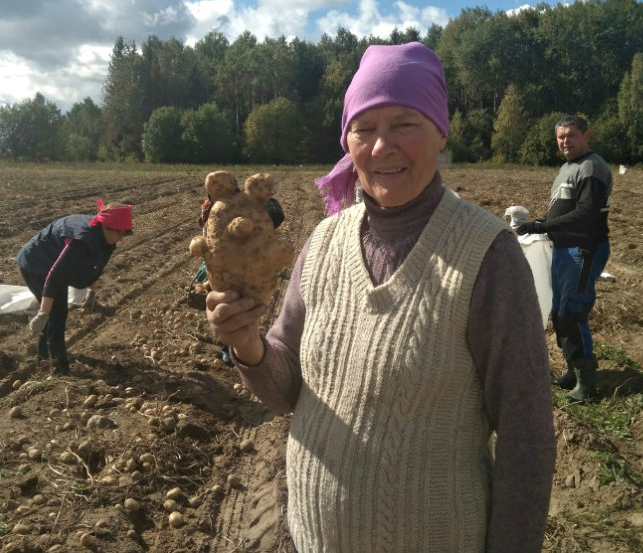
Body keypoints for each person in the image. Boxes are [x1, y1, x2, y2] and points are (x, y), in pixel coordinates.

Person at [205, 42, 556, 552]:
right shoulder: (324, 242)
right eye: (364, 128)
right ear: (347, 141)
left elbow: (527, 438)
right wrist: (248, 345)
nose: (380, 146)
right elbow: (286, 391)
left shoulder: (488, 255)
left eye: (404, 124)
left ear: (440, 131)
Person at [517, 115, 612, 402]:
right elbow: (562, 207)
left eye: (570, 135)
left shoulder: (592, 168)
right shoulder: (568, 168)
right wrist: (542, 221)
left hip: (583, 249)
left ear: (586, 135)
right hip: (564, 249)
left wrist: (542, 226)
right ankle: (573, 369)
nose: (564, 141)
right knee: (560, 313)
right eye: (560, 137)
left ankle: (588, 385)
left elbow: (586, 213)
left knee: (572, 313)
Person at [16, 201, 132, 374]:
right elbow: (55, 277)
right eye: (121, 234)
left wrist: (91, 293)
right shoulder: (81, 242)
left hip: (55, 263)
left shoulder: (108, 240)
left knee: (57, 314)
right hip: (36, 264)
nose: (122, 238)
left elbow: (97, 266)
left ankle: (44, 357)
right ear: (109, 228)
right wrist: (43, 313)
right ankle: (58, 368)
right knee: (57, 314)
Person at [187, 188, 285, 366]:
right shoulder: (211, 209)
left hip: (245, 263)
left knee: (236, 306)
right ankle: (230, 348)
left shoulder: (247, 209)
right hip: (223, 264)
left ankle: (236, 350)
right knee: (226, 305)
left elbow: (275, 213)